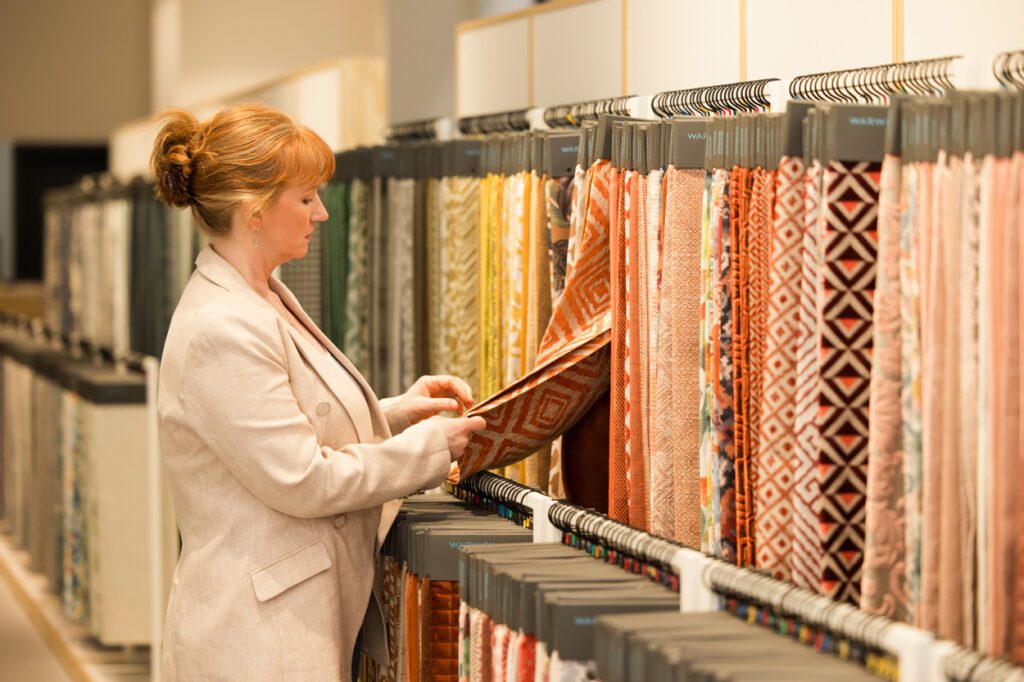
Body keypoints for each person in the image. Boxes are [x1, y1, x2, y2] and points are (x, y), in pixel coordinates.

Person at [152, 103, 486, 681]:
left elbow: (281, 426)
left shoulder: (259, 297)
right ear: (254, 210)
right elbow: (303, 478)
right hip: (257, 641)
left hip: (285, 622)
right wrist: (429, 450)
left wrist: (398, 413)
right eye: (306, 198)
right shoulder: (222, 326)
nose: (322, 213)